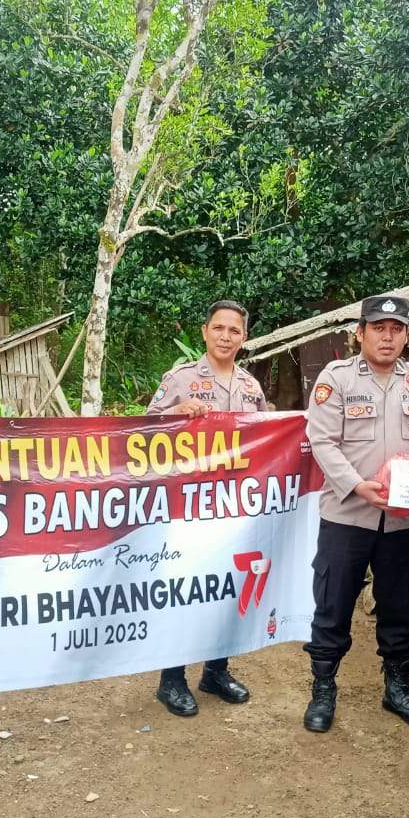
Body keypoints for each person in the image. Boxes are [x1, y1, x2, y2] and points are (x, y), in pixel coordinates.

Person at [302, 295, 409, 733]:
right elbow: (322, 442)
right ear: (361, 333)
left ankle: (398, 688)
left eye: (396, 329)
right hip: (347, 515)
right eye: (379, 328)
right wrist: (357, 486)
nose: (388, 337)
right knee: (333, 605)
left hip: (401, 519)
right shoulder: (338, 378)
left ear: (406, 334)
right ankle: (323, 689)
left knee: (398, 606)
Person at [145, 299, 267, 716]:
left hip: (236, 510)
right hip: (189, 509)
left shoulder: (251, 387)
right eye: (219, 328)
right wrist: (175, 413)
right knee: (184, 592)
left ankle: (216, 670)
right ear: (205, 331)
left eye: (234, 331)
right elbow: (144, 428)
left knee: (227, 591)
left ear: (244, 338)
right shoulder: (179, 378)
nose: (226, 337)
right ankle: (171, 679)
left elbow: (269, 440)